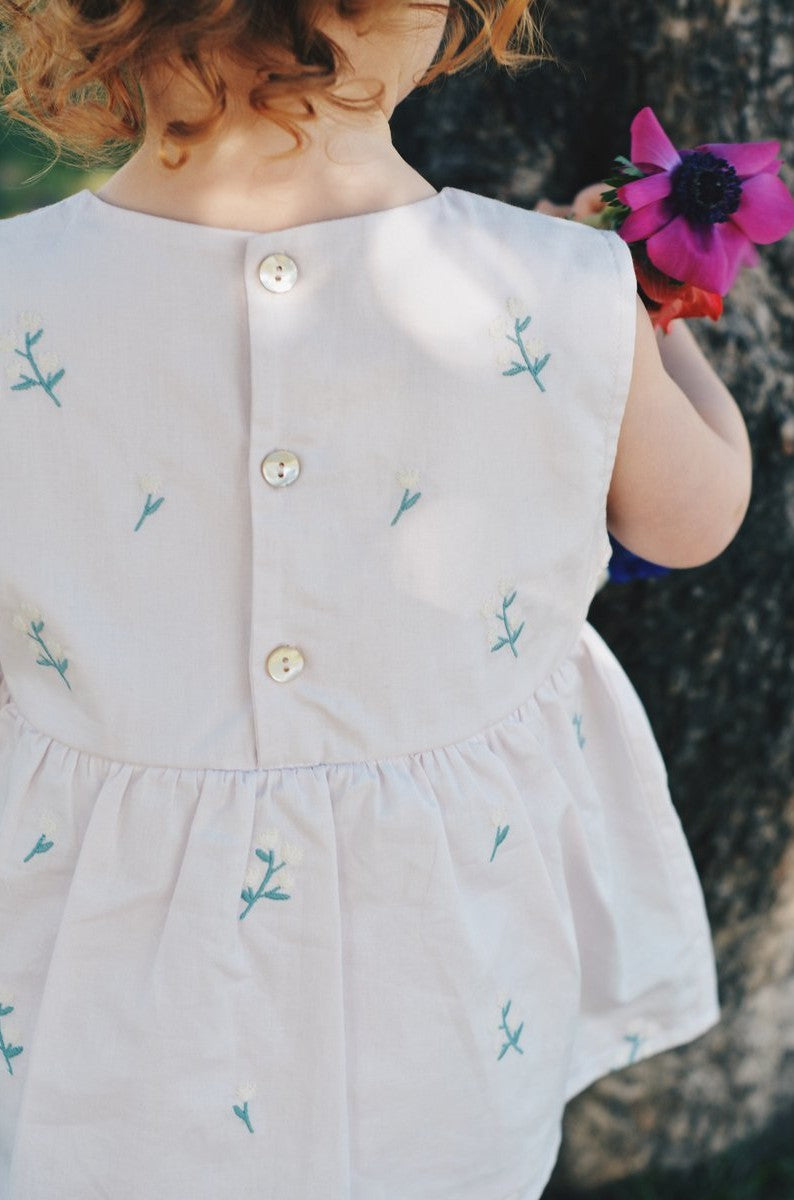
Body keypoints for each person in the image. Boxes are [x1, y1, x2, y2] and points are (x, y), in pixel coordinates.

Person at [0, 2, 752, 1197]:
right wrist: (640, 327)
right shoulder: (552, 289)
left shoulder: (15, 296)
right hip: (445, 971)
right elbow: (691, 515)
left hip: (96, 970)